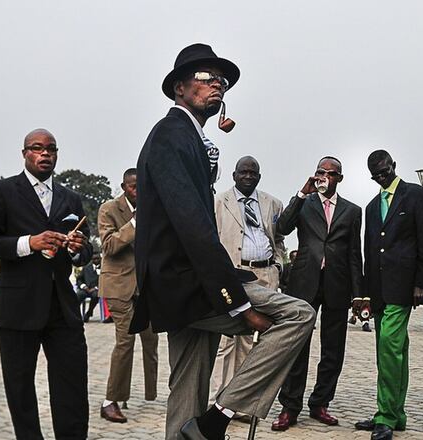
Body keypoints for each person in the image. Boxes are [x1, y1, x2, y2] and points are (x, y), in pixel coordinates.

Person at [131, 43, 315, 440]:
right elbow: (194, 228)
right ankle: (219, 417)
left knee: (185, 397)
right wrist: (240, 302)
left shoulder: (189, 138)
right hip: (184, 284)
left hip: (185, 283)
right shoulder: (170, 135)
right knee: (297, 315)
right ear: (179, 88)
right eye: (206, 78)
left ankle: (197, 427)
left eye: (223, 80)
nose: (218, 84)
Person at [0, 128, 93, 440]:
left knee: (72, 386)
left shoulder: (71, 198)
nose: (45, 154)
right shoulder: (2, 191)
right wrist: (30, 242)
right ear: (24, 153)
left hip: (63, 308)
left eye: (51, 149)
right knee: (20, 388)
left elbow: (86, 251)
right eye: (37, 148)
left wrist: (79, 250)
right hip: (17, 307)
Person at [272, 156, 363, 431]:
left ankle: (320, 403)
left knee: (333, 348)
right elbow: (282, 227)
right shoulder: (305, 203)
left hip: (337, 284)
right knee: (297, 345)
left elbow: (354, 254)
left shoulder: (352, 210)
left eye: (330, 173)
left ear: (340, 178)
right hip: (304, 282)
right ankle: (290, 407)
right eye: (320, 172)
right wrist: (302, 193)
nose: (324, 176)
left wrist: (359, 294)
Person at [352, 150, 423, 439]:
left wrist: (421, 283)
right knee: (389, 352)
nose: (381, 176)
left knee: (390, 346)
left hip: (403, 288)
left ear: (394, 166)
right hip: (377, 290)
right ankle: (395, 414)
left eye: (385, 170)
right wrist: (363, 294)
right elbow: (369, 251)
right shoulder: (372, 206)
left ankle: (385, 415)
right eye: (376, 174)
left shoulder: (416, 196)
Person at [210, 156, 287, 414]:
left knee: (250, 339)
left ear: (259, 176)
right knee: (226, 339)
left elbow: (278, 239)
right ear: (234, 175)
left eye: (253, 173)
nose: (248, 177)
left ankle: (238, 404)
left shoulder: (273, 203)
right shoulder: (219, 202)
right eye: (243, 172)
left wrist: (277, 265)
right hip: (233, 274)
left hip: (264, 274)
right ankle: (216, 400)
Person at [97, 167, 159, 423]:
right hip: (118, 286)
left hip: (145, 287)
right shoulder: (108, 209)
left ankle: (150, 393)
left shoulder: (153, 209)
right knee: (126, 342)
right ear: (124, 187)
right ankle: (110, 400)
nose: (139, 191)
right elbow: (109, 246)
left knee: (151, 340)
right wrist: (135, 222)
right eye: (134, 187)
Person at [75, 253, 104, 322]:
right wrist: (83, 286)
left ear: (100, 259)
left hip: (96, 289)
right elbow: (79, 279)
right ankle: (76, 314)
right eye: (94, 259)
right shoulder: (86, 267)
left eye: (98, 259)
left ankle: (89, 313)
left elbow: (105, 280)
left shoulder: (104, 268)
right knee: (78, 295)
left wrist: (96, 287)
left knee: (95, 295)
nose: (96, 260)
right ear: (91, 259)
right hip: (85, 289)